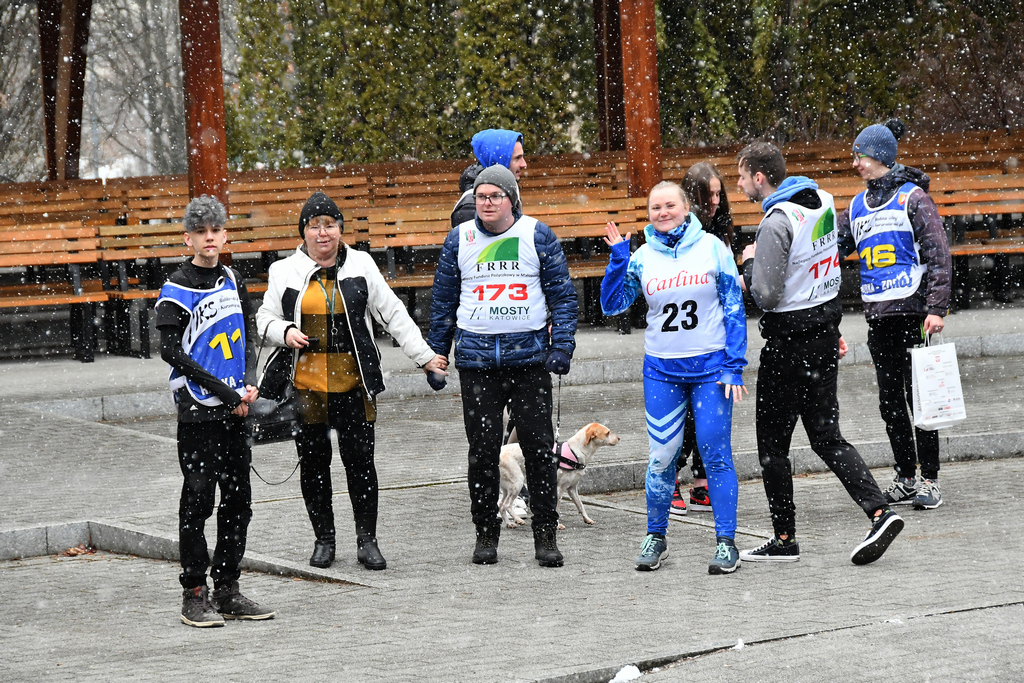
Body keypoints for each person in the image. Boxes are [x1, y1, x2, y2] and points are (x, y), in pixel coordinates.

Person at [256, 192, 447, 571]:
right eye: (314, 225)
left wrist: (425, 357)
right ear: (303, 232)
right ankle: (324, 540)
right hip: (306, 388)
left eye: (330, 225)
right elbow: (264, 317)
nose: (322, 233)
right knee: (313, 465)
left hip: (353, 386)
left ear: (341, 230)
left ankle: (367, 541)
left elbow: (392, 314)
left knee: (360, 464)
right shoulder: (284, 271)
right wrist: (285, 330)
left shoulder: (361, 265)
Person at [734, 142, 903, 566]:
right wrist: (831, 326)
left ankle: (784, 537)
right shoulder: (823, 201)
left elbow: (767, 296)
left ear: (759, 178)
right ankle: (879, 510)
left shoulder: (776, 222)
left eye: (741, 177)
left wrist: (751, 264)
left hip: (789, 345)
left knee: (772, 447)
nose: (738, 185)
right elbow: (825, 269)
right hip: (824, 335)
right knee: (827, 436)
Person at [427, 165, 578, 567]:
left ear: (512, 199)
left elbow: (562, 296)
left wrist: (561, 345)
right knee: (482, 453)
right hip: (477, 365)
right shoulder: (460, 238)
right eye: (480, 196)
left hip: (528, 362)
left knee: (540, 452)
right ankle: (485, 535)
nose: (487, 203)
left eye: (495, 196)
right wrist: (435, 357)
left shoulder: (536, 234)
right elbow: (442, 303)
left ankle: (545, 537)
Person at [601, 180, 747, 574]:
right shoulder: (643, 255)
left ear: (686, 208)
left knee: (715, 454)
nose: (662, 213)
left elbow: (734, 307)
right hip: (662, 371)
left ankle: (726, 542)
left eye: (670, 205)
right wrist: (618, 259)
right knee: (662, 457)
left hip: (712, 370)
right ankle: (656, 535)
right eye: (655, 208)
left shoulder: (713, 248)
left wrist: (735, 364)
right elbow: (612, 304)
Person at [156, 195, 275, 627]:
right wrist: (227, 396)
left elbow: (247, 333)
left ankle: (227, 589)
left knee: (239, 501)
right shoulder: (176, 287)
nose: (210, 238)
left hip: (233, 410)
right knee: (198, 500)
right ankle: (194, 591)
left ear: (225, 234)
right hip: (198, 414)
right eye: (201, 231)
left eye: (216, 230)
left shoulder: (231, 277)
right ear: (188, 238)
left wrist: (246, 383)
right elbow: (171, 352)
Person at [838, 120, 952, 510]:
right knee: (890, 403)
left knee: (920, 400)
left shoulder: (913, 198)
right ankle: (905, 477)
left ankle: (930, 479)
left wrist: (937, 308)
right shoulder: (855, 206)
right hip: (879, 317)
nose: (855, 163)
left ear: (880, 157)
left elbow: (937, 252)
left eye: (860, 156)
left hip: (914, 314)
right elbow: (831, 250)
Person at [669, 161, 739, 516]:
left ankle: (701, 482)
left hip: (717, 335)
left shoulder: (722, 229)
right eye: (706, 194)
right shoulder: (679, 230)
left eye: (717, 194)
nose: (713, 201)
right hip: (684, 337)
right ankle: (670, 481)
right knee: (682, 414)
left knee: (707, 414)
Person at [451, 129, 528, 228]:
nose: (524, 164)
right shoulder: (471, 207)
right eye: (517, 158)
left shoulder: (507, 190)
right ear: (498, 160)